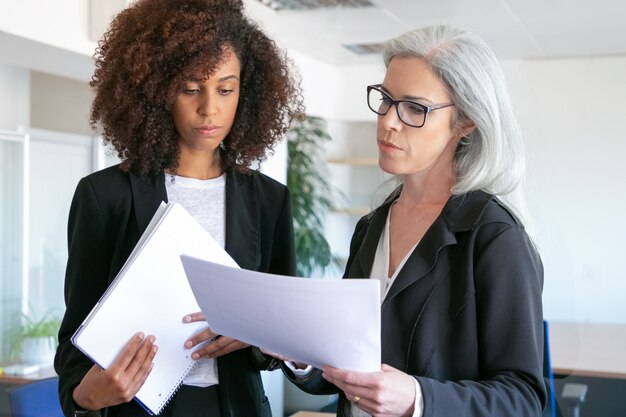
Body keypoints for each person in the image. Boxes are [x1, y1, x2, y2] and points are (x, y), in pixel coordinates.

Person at [280, 24, 545, 417]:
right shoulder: (371, 227)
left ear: (466, 122)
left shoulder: (495, 237)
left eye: (415, 108)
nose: (388, 121)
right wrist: (298, 353)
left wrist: (419, 400)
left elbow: (523, 400)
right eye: (385, 100)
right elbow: (347, 365)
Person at [54, 0, 303, 416]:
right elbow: (76, 337)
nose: (210, 109)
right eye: (190, 88)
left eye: (226, 89)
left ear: (248, 90)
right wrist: (83, 397)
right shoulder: (105, 196)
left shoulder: (270, 201)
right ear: (156, 90)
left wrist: (253, 333)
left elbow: (284, 329)